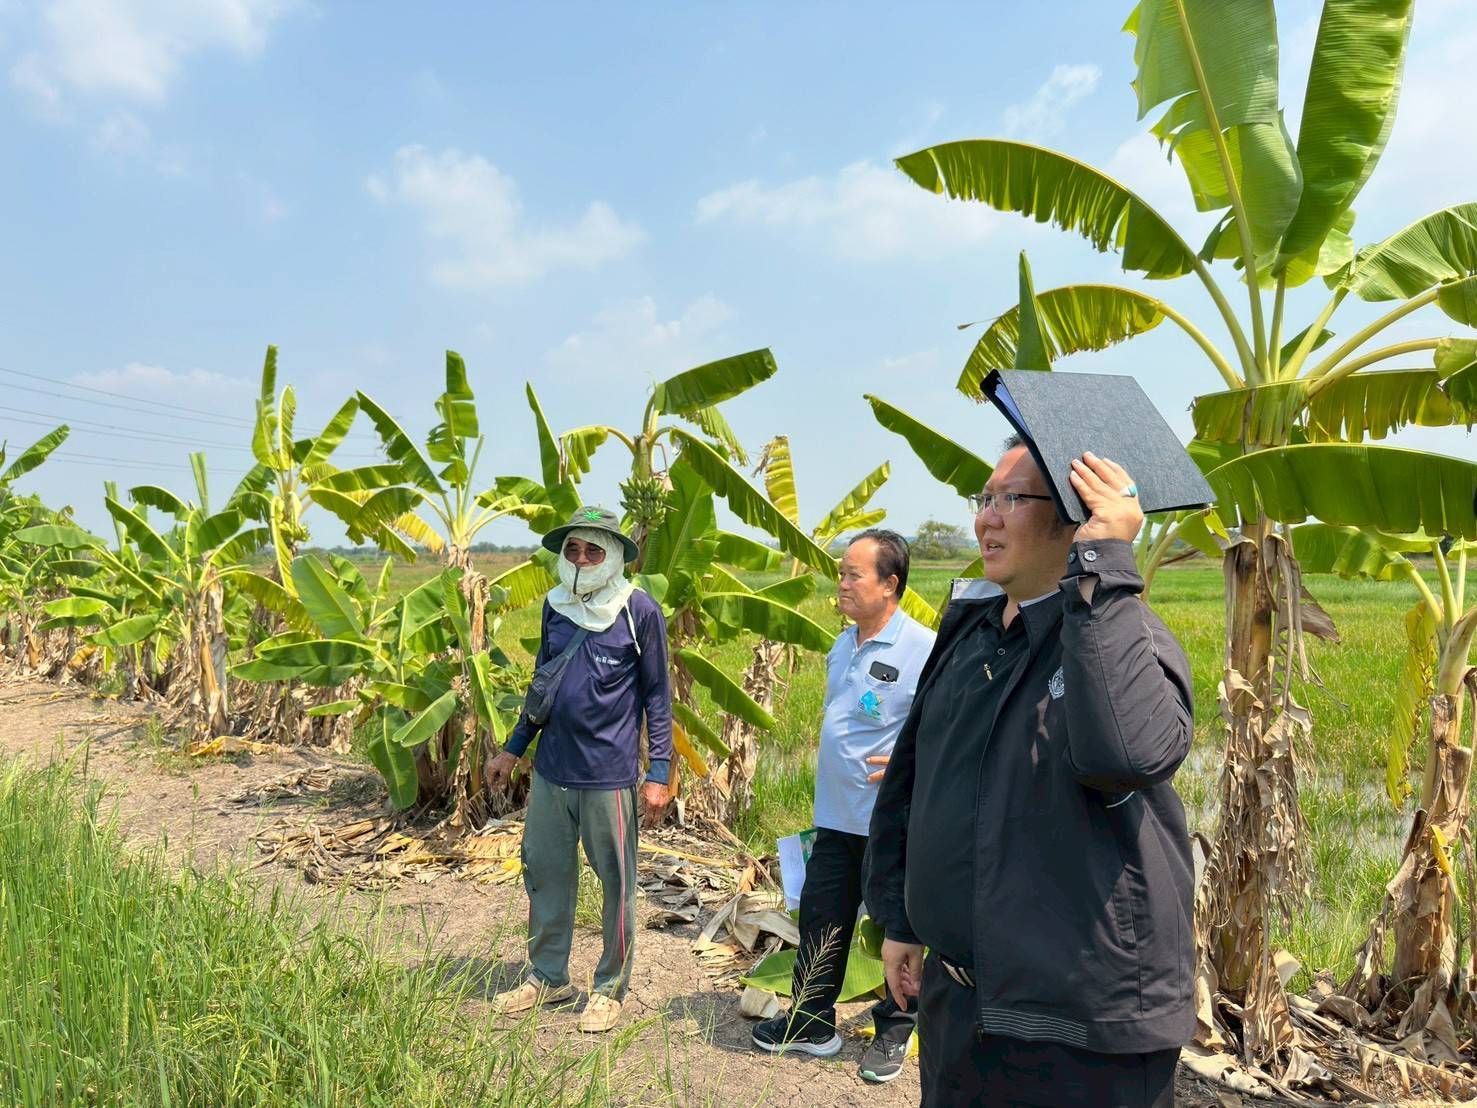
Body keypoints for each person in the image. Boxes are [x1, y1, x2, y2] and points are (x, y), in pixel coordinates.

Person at [866, 441, 1195, 1106]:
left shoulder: (1121, 639)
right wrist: (900, 918)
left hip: (1077, 1031)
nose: (985, 518)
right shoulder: (973, 633)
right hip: (959, 1007)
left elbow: (1128, 756)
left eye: (1009, 500)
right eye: (984, 498)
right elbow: (916, 779)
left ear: (1074, 514)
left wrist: (1105, 565)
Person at [752, 529, 936, 1084]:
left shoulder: (923, 648)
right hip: (834, 816)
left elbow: (947, 728)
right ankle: (811, 1022)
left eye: (854, 574)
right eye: (841, 574)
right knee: (821, 917)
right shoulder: (843, 644)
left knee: (897, 927)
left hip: (891, 822)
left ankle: (895, 1030)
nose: (843, 584)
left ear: (890, 584)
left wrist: (911, 760)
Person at [487, 506, 672, 1034]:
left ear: (613, 556)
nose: (581, 558)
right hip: (552, 770)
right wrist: (513, 749)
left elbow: (658, 696)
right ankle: (548, 977)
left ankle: (610, 989)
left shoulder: (638, 610)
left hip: (609, 776)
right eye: (573, 549)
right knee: (545, 873)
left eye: (593, 550)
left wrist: (658, 772)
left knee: (617, 885)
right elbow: (541, 686)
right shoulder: (555, 606)